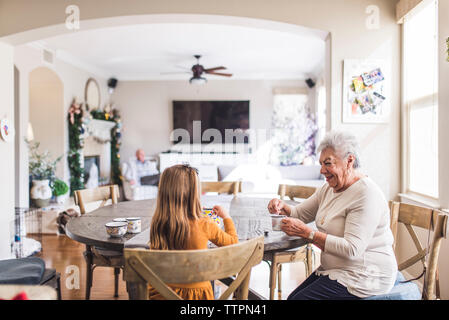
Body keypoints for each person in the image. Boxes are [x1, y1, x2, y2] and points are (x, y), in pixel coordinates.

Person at [268, 130, 397, 300]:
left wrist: (308, 234)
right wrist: (282, 207)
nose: (322, 170)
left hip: (366, 275)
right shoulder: (328, 188)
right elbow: (299, 214)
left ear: (349, 160)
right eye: (321, 163)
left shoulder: (366, 194)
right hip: (337, 269)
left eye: (328, 163)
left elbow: (352, 249)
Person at [149, 164, 239, 300]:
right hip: (197, 296)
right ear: (193, 194)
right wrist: (226, 217)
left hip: (161, 293)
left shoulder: (158, 224)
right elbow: (233, 243)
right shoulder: (205, 223)